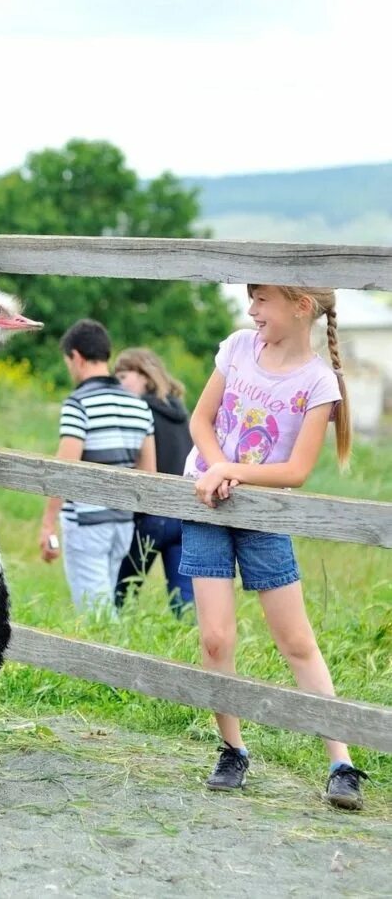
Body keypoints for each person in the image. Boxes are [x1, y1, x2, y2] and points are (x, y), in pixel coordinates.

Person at [179, 284, 367, 811]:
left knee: (296, 642)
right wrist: (216, 467)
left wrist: (231, 471)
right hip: (207, 504)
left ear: (299, 306)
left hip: (264, 516)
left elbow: (297, 471)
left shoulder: (318, 382)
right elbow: (200, 420)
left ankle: (342, 761)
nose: (251, 310)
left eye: (261, 300)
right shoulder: (238, 348)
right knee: (216, 638)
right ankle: (232, 749)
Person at [40, 319, 156, 613]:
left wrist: (48, 525)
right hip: (123, 522)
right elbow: (148, 474)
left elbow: (64, 471)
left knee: (96, 615)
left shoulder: (78, 404)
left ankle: (115, 660)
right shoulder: (139, 406)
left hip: (86, 521)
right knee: (107, 605)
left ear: (76, 357)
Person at [112, 347, 195, 617]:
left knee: (121, 594)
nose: (119, 383)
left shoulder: (140, 411)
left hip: (150, 514)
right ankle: (191, 651)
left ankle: (113, 643)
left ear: (145, 377)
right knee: (184, 602)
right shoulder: (182, 413)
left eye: (124, 376)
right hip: (183, 514)